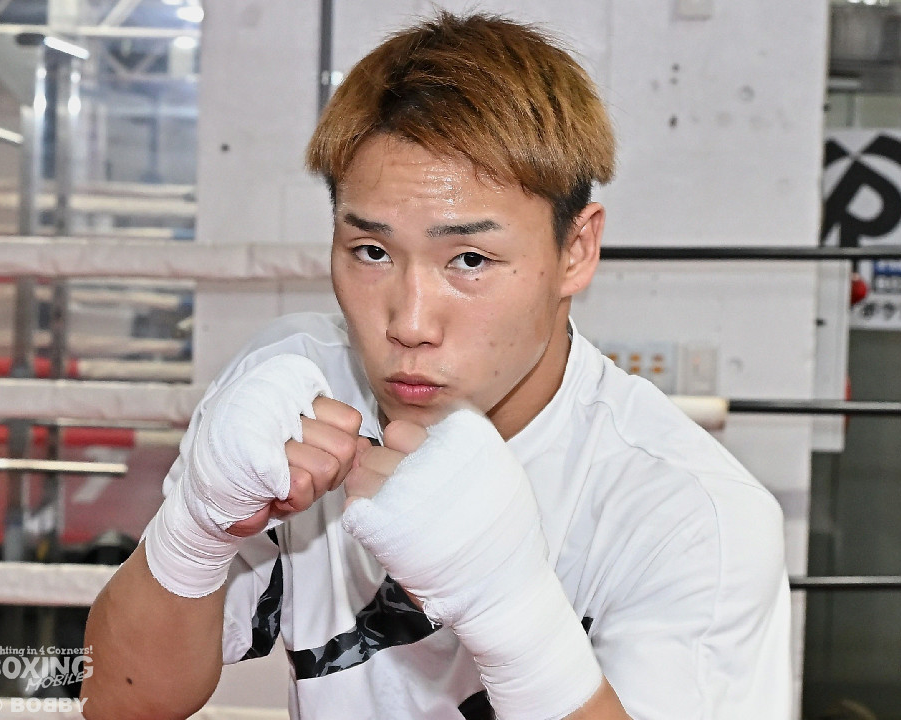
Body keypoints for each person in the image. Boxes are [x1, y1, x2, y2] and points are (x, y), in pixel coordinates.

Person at [81, 12, 791, 720]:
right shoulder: (300, 397)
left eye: (470, 260)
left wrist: (517, 623)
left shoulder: (692, 517)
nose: (410, 324)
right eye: (372, 252)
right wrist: (195, 530)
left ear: (576, 250)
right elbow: (117, 700)